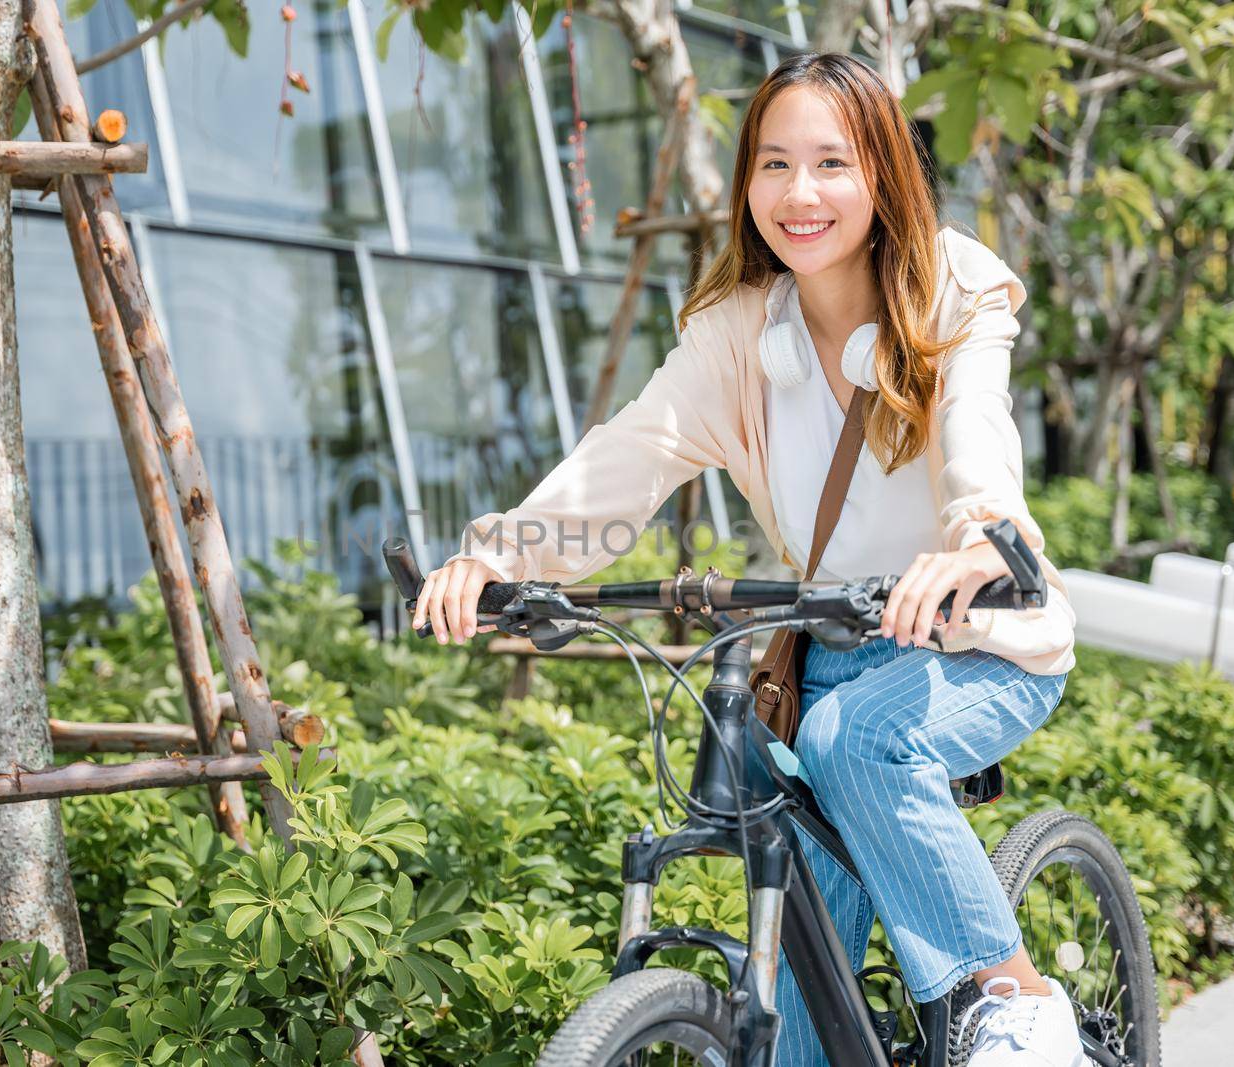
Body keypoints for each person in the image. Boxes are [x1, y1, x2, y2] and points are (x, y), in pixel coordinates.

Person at [411, 51, 1083, 1067]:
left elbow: (978, 429)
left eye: (829, 163)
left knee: (857, 740)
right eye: (773, 164)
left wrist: (975, 539)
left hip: (978, 640)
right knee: (803, 999)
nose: (798, 193)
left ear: (882, 173)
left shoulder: (951, 291)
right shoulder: (739, 337)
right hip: (822, 664)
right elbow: (628, 456)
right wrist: (498, 556)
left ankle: (1013, 993)